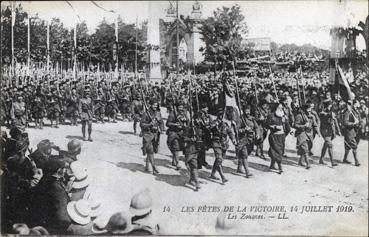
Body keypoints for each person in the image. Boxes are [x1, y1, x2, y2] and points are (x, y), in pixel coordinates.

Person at [30, 159, 71, 234]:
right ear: (59, 170)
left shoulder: (44, 180)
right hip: (51, 228)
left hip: (39, 223)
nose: (65, 171)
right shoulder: (58, 189)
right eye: (64, 169)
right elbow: (63, 219)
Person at [209, 109, 236, 183]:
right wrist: (215, 125)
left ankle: (212, 174)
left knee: (219, 160)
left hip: (224, 144)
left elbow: (230, 132)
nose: (221, 117)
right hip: (216, 143)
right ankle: (223, 177)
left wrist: (233, 139)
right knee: (219, 159)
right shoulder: (213, 123)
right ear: (217, 116)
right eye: (220, 115)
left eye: (222, 116)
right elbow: (209, 128)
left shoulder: (225, 124)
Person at [140, 100, 164, 175]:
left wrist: (162, 128)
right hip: (147, 134)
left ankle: (147, 166)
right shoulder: (146, 114)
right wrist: (150, 124)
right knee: (150, 150)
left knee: (151, 151)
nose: (155, 106)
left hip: (156, 134)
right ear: (150, 105)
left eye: (156, 105)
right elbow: (141, 124)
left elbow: (161, 122)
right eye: (154, 105)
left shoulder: (158, 113)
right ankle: (154, 168)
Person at [266, 103, 290, 174]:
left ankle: (272, 165)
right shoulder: (271, 115)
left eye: (281, 108)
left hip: (281, 136)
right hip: (274, 136)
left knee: (279, 150)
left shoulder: (283, 116)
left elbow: (287, 125)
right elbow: (266, 125)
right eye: (279, 108)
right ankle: (280, 168)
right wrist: (275, 127)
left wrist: (288, 127)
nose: (281, 109)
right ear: (275, 108)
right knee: (277, 151)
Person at [295, 102, 319, 169]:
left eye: (310, 109)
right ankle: (308, 164)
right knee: (305, 148)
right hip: (302, 133)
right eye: (308, 109)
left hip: (310, 134)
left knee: (307, 147)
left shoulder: (312, 116)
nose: (309, 111)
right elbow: (295, 125)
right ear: (304, 109)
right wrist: (303, 125)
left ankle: (300, 161)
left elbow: (315, 125)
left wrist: (318, 132)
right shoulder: (299, 116)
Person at [166, 103, 188, 170]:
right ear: (176, 107)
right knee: (176, 147)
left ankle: (174, 159)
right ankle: (177, 163)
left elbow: (187, 121)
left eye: (182, 107)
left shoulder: (184, 114)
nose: (181, 109)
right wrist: (175, 124)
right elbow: (167, 123)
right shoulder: (172, 114)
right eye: (179, 107)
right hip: (174, 133)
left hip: (181, 133)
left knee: (180, 147)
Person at [319, 99, 341, 167]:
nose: (330, 107)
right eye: (328, 106)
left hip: (330, 131)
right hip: (324, 131)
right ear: (325, 106)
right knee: (330, 145)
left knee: (326, 145)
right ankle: (332, 162)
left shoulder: (332, 112)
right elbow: (324, 116)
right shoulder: (322, 113)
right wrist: (329, 114)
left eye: (330, 106)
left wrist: (338, 130)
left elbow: (335, 122)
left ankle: (321, 159)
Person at [236, 106, 256, 178]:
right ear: (243, 111)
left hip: (250, 139)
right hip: (243, 139)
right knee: (244, 155)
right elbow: (237, 130)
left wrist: (257, 133)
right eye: (246, 111)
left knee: (245, 153)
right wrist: (244, 129)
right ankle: (247, 172)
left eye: (249, 111)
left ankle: (239, 168)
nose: (248, 112)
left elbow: (256, 127)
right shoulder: (241, 119)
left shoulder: (252, 118)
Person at [342, 100, 361, 166]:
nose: (359, 104)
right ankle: (356, 161)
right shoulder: (348, 112)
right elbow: (345, 122)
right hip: (349, 132)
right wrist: (353, 123)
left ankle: (344, 159)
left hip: (354, 131)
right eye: (357, 103)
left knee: (347, 146)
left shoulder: (354, 111)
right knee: (354, 146)